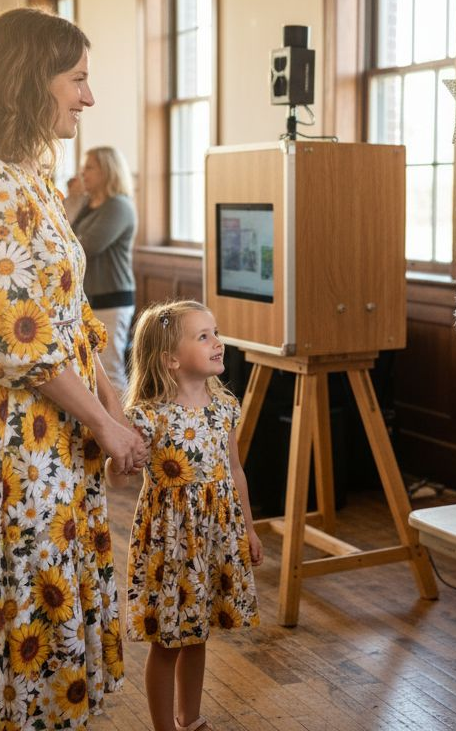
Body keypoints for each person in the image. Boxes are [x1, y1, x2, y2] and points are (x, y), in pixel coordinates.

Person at [0, 7, 148, 730]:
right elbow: (17, 346)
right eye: (78, 79)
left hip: (62, 421)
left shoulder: (32, 178)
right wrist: (106, 426)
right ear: (30, 79)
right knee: (25, 591)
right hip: (18, 432)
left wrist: (112, 403)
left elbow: (72, 314)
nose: (87, 98)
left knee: (53, 587)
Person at [124, 300, 262, 731]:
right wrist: (123, 457)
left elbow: (234, 470)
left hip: (216, 536)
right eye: (203, 337)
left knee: (197, 633)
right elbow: (116, 472)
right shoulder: (148, 415)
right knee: (168, 640)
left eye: (215, 332)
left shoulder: (224, 407)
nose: (218, 342)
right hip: (169, 542)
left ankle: (191, 719)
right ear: (170, 358)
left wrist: (250, 531)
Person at [69, 146, 137, 391]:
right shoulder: (88, 204)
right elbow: (62, 232)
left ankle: (125, 427)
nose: (82, 173)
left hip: (112, 301)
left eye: (89, 167)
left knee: (109, 372)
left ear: (107, 171)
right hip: (88, 301)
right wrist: (75, 200)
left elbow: (86, 246)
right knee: (86, 372)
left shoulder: (118, 206)